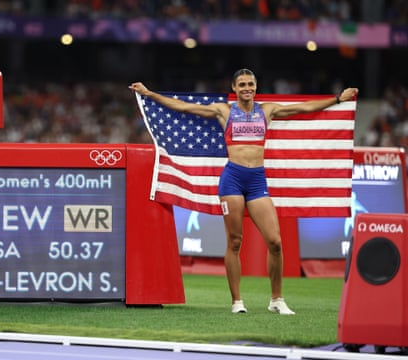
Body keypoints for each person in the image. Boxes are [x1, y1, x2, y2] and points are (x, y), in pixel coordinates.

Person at [129, 68, 359, 315]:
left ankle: (277, 299)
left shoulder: (267, 111)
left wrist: (338, 99)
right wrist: (149, 94)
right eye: (242, 84)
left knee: (275, 242)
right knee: (235, 241)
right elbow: (183, 107)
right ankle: (237, 301)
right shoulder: (224, 111)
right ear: (235, 88)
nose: (247, 88)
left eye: (250, 83)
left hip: (257, 180)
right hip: (232, 180)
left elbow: (304, 108)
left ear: (256, 87)